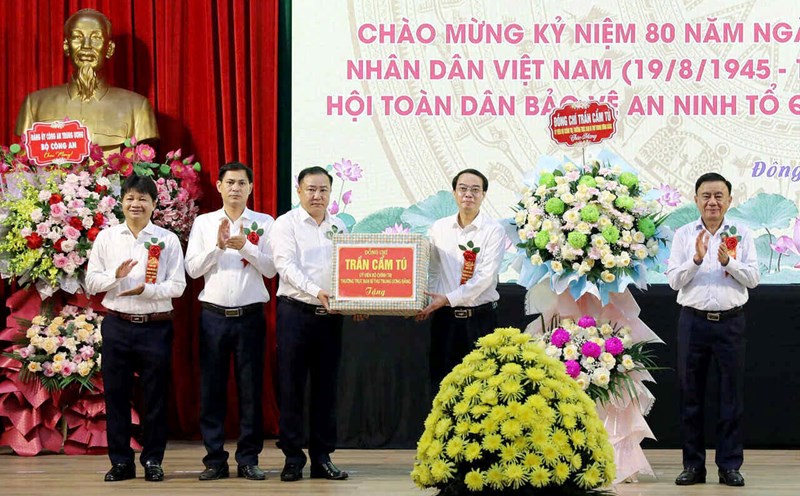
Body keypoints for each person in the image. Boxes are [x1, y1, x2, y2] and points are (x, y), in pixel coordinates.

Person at [86, 174, 186, 482]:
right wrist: (115, 277)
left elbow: (178, 285)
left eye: (143, 199)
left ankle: (153, 460)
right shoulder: (107, 238)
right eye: (130, 198)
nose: (135, 204)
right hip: (117, 324)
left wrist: (148, 290)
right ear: (121, 202)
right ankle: (121, 462)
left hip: (155, 327)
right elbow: (91, 283)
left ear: (154, 204)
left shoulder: (167, 239)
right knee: (116, 396)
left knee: (155, 396)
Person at [185, 162, 276, 481]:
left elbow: (271, 269)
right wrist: (218, 247)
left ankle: (249, 459)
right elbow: (192, 269)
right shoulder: (204, 223)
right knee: (212, 390)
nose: (236, 188)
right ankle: (214, 459)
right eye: (230, 182)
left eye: (242, 183)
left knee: (251, 390)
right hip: (214, 317)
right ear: (219, 186)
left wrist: (246, 247)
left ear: (251, 187)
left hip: (250, 317)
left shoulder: (264, 222)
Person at [667, 172, 759, 487]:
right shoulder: (683, 235)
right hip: (693, 323)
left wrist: (728, 263)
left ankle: (729, 466)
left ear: (729, 200)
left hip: (731, 323)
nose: (712, 202)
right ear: (696, 200)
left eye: (719, 196)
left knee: (731, 396)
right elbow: (674, 281)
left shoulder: (741, 234)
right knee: (690, 395)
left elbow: (753, 279)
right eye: (706, 196)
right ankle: (693, 466)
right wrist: (696, 259)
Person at [269, 166, 351, 482]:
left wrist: (357, 300)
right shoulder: (285, 224)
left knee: (326, 389)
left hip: (331, 318)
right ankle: (292, 458)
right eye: (311, 189)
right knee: (291, 388)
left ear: (330, 193)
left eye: (323, 190)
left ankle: (322, 458)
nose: (317, 195)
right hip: (296, 314)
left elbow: (350, 269)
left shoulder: (339, 226)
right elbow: (285, 267)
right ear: (299, 191)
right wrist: (317, 291)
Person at [15, 8, 158, 150]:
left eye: (96, 38)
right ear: (66, 46)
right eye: (77, 37)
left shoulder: (138, 108)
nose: (86, 46)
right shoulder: (34, 105)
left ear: (109, 49)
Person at [418, 168, 508, 392]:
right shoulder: (439, 228)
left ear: (483, 195)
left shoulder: (493, 230)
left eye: (475, 190)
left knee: (482, 388)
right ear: (454, 193)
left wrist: (448, 298)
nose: (469, 194)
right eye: (463, 189)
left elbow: (485, 277)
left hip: (480, 320)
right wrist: (426, 303)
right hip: (445, 320)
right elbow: (434, 272)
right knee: (442, 385)